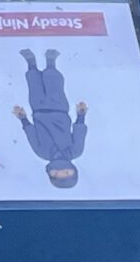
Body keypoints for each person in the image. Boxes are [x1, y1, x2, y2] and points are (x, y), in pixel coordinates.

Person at [12, 47, 89, 188]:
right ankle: (51, 62)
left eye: (57, 174)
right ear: (73, 170)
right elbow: (79, 133)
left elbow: (31, 135)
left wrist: (23, 118)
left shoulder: (42, 153)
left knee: (34, 86)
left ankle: (31, 63)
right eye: (66, 172)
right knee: (54, 86)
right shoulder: (75, 151)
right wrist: (81, 115)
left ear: (50, 173)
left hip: (38, 110)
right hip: (59, 110)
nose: (60, 170)